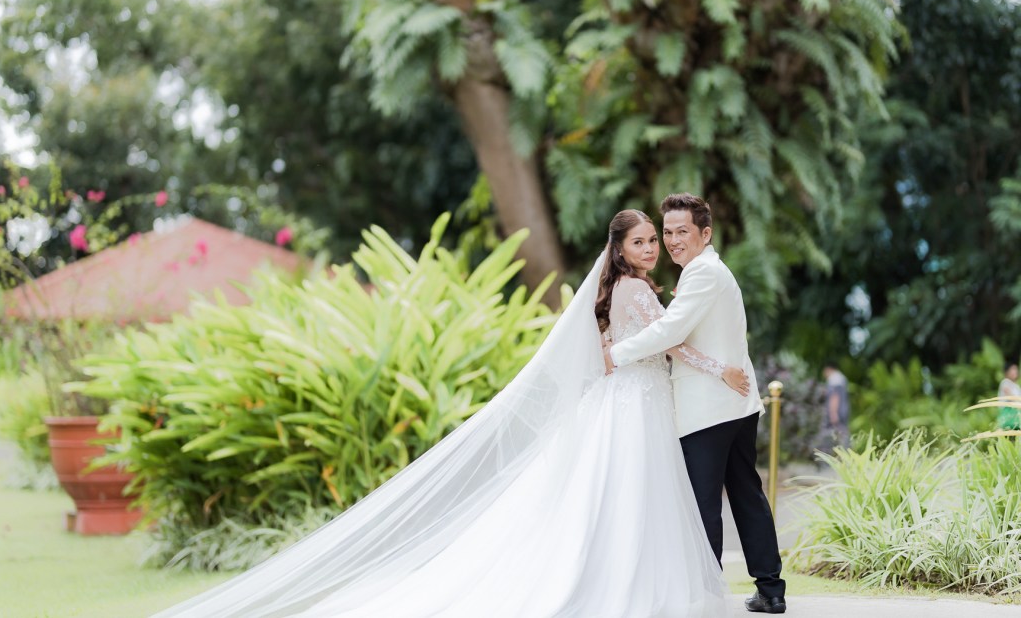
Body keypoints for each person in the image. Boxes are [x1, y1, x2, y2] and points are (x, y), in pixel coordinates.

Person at [153, 209, 746, 618]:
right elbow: (669, 341)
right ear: (618, 250)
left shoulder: (612, 290)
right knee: (636, 491)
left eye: (654, 241)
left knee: (619, 492)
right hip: (636, 402)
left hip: (625, 400)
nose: (651, 249)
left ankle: (622, 577)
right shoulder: (637, 289)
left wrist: (624, 355)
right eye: (641, 242)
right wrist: (719, 368)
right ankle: (636, 584)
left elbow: (615, 347)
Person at [606, 193, 787, 615]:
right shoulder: (705, 271)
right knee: (745, 494)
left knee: (702, 504)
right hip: (734, 405)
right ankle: (770, 588)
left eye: (681, 231)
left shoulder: (703, 272)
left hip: (709, 409)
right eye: (667, 232)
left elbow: (669, 331)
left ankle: (706, 596)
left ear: (705, 233)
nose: (672, 241)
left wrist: (616, 353)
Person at [821, 363, 850, 452]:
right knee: (842, 435)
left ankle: (837, 456)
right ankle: (845, 455)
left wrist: (833, 413)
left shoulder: (834, 379)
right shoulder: (841, 378)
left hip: (836, 414)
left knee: (835, 437)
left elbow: (835, 396)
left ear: (828, 369)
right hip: (843, 413)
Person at [998, 362, 1021, 431]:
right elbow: (1011, 396)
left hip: (1017, 413)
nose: (1015, 371)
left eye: (1016, 369)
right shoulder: (1005, 382)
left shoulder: (1016, 386)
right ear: (1007, 372)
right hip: (1008, 413)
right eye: (1012, 370)